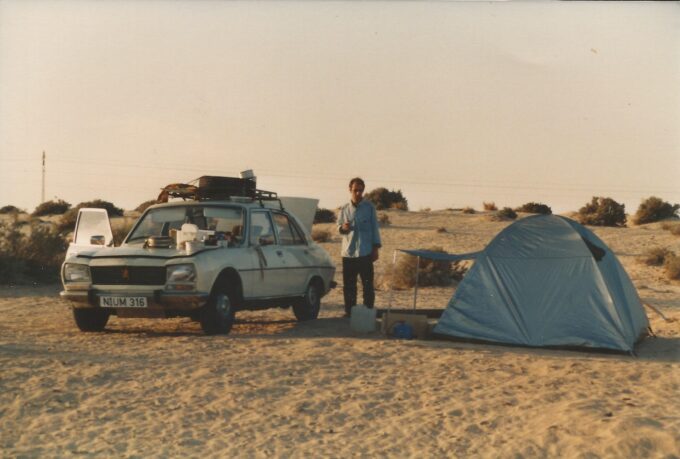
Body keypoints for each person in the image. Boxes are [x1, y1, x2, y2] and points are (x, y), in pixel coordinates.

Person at [337, 177, 381, 317]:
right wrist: (343, 228)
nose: (358, 193)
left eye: (360, 190)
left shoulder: (369, 208)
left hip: (365, 252)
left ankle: (368, 311)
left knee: (367, 285)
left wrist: (375, 249)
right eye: (355, 190)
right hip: (348, 253)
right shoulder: (344, 209)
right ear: (350, 189)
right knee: (349, 286)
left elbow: (375, 229)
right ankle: (349, 312)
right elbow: (338, 228)